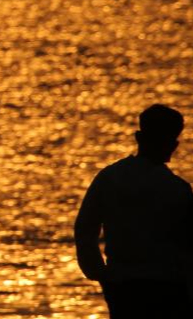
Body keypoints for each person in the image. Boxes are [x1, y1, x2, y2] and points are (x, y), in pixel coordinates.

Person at [74, 104, 193, 318]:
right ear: (174, 144)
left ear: (139, 137)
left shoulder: (110, 178)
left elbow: (85, 229)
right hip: (168, 286)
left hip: (122, 282)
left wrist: (98, 272)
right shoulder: (177, 188)